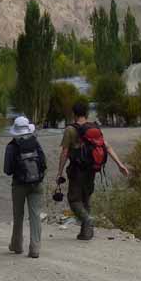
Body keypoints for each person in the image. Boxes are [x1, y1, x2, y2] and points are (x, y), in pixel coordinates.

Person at [56, 101, 130, 240]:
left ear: (74, 114)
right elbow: (107, 147)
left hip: (77, 170)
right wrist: (120, 165)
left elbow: (65, 152)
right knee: (86, 199)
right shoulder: (94, 128)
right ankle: (86, 233)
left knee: (74, 200)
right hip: (92, 170)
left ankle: (87, 220)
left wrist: (59, 172)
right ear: (86, 114)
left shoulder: (70, 130)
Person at [3, 115, 46, 258]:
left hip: (19, 185)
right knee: (35, 215)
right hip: (37, 183)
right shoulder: (36, 143)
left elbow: (7, 170)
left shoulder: (11, 146)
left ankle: (17, 245)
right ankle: (35, 248)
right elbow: (44, 163)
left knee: (18, 215)